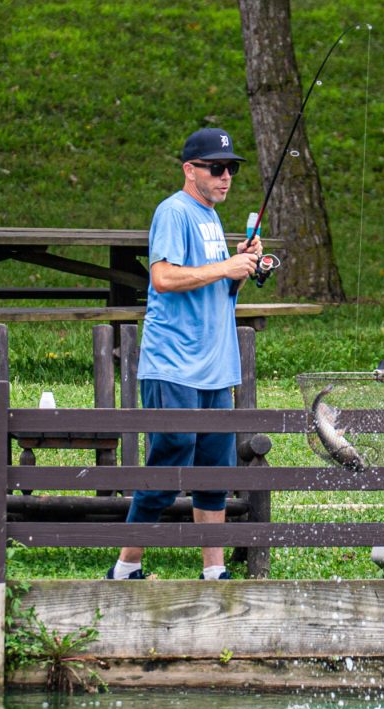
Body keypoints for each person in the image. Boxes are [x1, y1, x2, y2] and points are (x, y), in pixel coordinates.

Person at [105, 127, 263, 580]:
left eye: (231, 168)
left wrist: (242, 268)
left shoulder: (211, 217)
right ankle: (124, 568)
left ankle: (213, 573)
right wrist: (227, 266)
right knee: (169, 458)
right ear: (189, 170)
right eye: (216, 168)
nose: (226, 176)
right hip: (175, 364)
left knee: (215, 470)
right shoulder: (173, 212)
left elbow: (215, 289)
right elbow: (164, 279)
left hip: (215, 367)